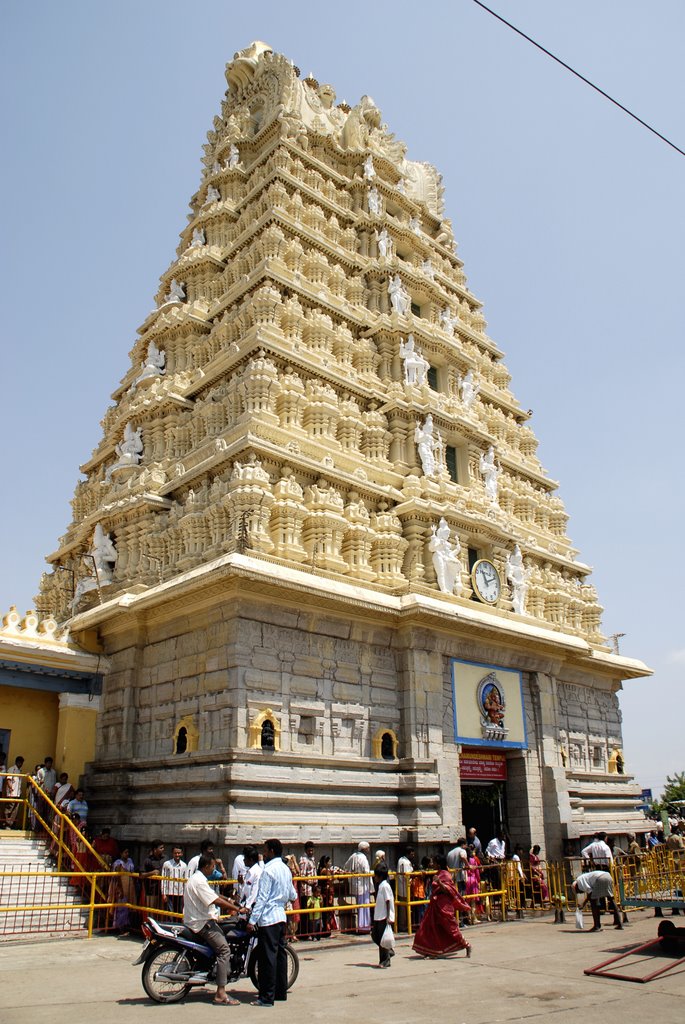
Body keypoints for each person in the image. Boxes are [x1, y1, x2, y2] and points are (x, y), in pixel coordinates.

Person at [184, 854, 241, 1005]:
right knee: (224, 950)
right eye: (213, 866)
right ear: (207, 866)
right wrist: (236, 909)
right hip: (202, 923)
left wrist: (230, 900)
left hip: (197, 920)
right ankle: (221, 993)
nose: (214, 869)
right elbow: (215, 900)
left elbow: (214, 894)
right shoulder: (199, 881)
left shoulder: (199, 879)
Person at [248, 838, 297, 1007]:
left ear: (272, 851)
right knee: (280, 955)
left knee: (267, 958)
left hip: (268, 918)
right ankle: (280, 992)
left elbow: (261, 898)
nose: (264, 853)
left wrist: (252, 919)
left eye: (266, 850)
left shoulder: (268, 870)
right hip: (280, 917)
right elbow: (293, 895)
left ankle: (266, 997)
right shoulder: (285, 869)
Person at [412, 854, 472, 958]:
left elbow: (448, 889)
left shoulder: (445, 875)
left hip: (444, 905)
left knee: (451, 928)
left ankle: (466, 945)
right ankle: (430, 950)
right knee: (429, 927)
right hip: (435, 904)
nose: (432, 864)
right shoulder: (438, 873)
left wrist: (439, 882)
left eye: (434, 862)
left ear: (438, 864)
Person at [343, 842, 372, 934]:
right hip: (363, 885)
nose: (369, 850)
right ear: (364, 849)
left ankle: (361, 926)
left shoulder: (353, 856)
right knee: (364, 905)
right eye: (368, 848)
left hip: (356, 884)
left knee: (360, 906)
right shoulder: (363, 858)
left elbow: (346, 866)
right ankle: (364, 927)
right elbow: (366, 871)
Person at [371, 863, 395, 968]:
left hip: (383, 916)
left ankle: (385, 960)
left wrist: (389, 917)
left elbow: (388, 901)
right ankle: (389, 950)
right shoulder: (380, 886)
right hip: (378, 915)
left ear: (380, 876)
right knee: (376, 936)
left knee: (382, 939)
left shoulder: (385, 886)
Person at [110, 846, 136, 934]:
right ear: (121, 853)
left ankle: (126, 925)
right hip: (121, 885)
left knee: (128, 906)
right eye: (125, 852)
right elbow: (117, 876)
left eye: (128, 852)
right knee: (121, 906)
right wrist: (119, 888)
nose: (127, 854)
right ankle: (119, 926)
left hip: (129, 884)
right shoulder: (118, 863)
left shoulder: (130, 861)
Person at [446, 837, 469, 925]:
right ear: (463, 844)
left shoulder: (450, 853)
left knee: (453, 899)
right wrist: (468, 865)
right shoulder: (462, 850)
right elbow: (463, 856)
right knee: (461, 899)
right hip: (459, 879)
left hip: (451, 879)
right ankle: (461, 921)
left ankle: (455, 920)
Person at [161, 846, 188, 915]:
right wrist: (163, 893)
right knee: (170, 913)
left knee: (179, 912)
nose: (177, 855)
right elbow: (163, 879)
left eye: (179, 853)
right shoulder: (167, 864)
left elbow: (185, 881)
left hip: (180, 893)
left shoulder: (184, 865)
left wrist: (185, 894)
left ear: (181, 853)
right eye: (175, 853)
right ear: (172, 854)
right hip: (169, 892)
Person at [298, 840, 316, 938]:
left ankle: (310, 931)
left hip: (312, 889)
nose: (311, 852)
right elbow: (302, 875)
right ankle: (304, 933)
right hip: (306, 889)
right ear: (305, 850)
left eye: (312, 850)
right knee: (305, 912)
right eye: (309, 851)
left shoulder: (312, 859)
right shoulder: (303, 860)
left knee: (311, 911)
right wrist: (310, 883)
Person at [395, 846, 416, 932]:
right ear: (408, 853)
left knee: (405, 907)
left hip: (403, 886)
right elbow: (407, 875)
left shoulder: (403, 860)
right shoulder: (404, 862)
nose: (413, 855)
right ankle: (403, 926)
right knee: (403, 908)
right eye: (412, 853)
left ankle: (406, 924)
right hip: (404, 886)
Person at [142, 840, 165, 910]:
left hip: (163, 891)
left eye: (163, 848)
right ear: (155, 849)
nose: (163, 849)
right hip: (151, 890)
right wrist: (152, 873)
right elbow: (141, 875)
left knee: (162, 912)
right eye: (161, 848)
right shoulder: (148, 860)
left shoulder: (165, 859)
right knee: (151, 911)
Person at [241, 844, 263, 916]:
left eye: (245, 858)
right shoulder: (249, 872)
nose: (243, 860)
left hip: (252, 909)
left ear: (251, 859)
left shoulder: (257, 872)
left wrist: (247, 907)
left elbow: (255, 892)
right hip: (245, 906)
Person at [3, 755, 24, 828]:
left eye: (21, 763)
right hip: (12, 793)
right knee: (9, 809)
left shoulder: (20, 771)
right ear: (17, 762)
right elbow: (8, 779)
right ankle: (6, 824)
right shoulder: (12, 769)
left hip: (17, 793)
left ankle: (11, 824)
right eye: (19, 762)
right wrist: (11, 789)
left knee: (15, 810)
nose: (20, 764)